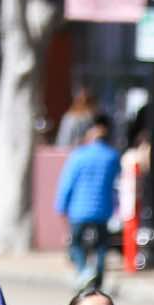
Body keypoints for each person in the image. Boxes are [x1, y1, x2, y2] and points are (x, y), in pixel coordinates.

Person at [55, 116, 120, 289]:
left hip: (79, 209)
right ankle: (98, 279)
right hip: (103, 208)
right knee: (101, 246)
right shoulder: (112, 156)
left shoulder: (78, 156)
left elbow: (67, 183)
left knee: (76, 244)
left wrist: (61, 205)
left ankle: (84, 270)